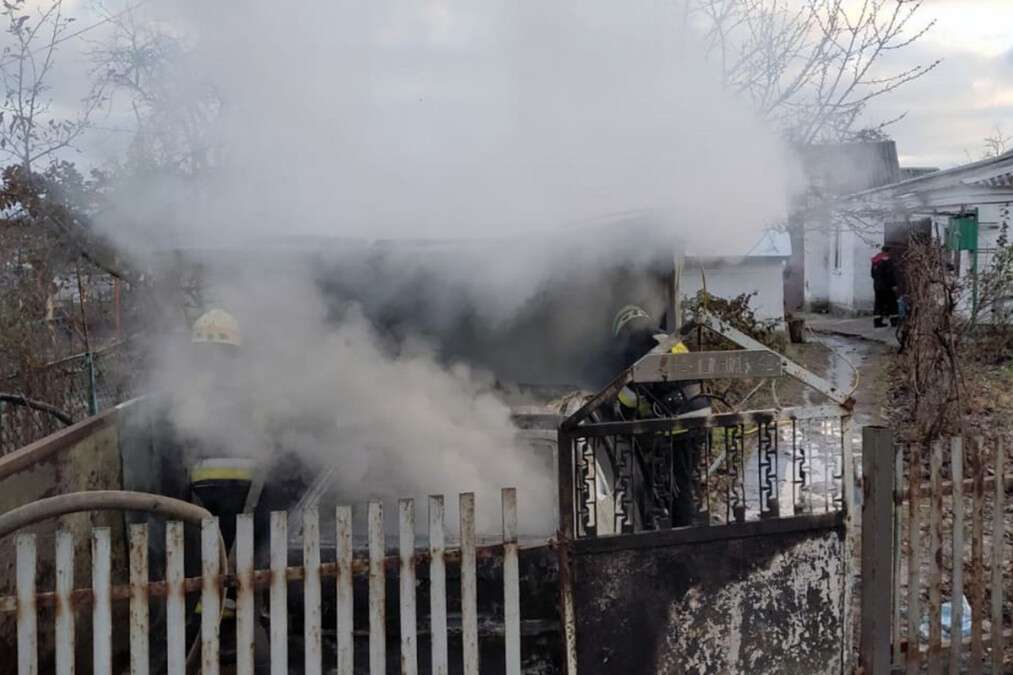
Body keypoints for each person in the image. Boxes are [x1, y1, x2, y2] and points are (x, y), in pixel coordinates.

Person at [611, 305, 710, 528]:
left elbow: (634, 390)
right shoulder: (665, 338)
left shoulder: (636, 342)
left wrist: (621, 411)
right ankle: (690, 519)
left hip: (678, 419)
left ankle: (683, 529)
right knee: (686, 476)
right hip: (698, 411)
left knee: (679, 481)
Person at [871, 245, 899, 327]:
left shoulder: (875, 260)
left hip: (877, 286)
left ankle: (877, 322)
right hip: (887, 287)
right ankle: (894, 322)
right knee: (892, 303)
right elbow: (890, 274)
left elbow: (872, 274)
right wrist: (894, 285)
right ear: (888, 251)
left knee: (878, 304)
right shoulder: (887, 260)